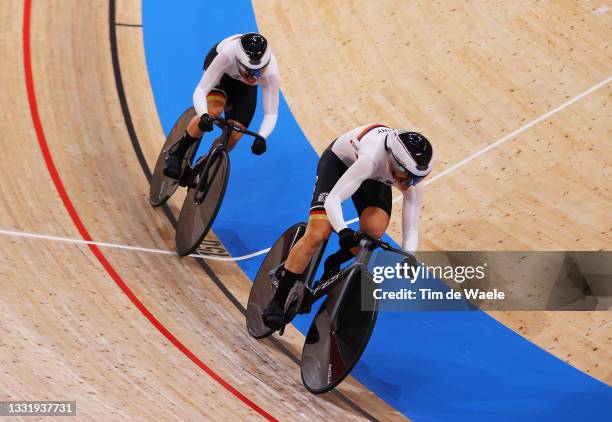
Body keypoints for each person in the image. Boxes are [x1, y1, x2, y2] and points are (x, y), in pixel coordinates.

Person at [262, 124, 434, 330]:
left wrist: (409, 256)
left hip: (374, 176)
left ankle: (333, 262)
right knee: (318, 232)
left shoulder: (409, 178)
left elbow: (412, 226)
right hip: (339, 164)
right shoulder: (372, 158)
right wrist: (343, 231)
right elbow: (333, 200)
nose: (411, 184)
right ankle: (278, 300)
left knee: (374, 230)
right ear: (395, 164)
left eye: (418, 178)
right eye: (408, 178)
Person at [164, 33, 280, 179]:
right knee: (213, 111)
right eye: (248, 72)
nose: (252, 78)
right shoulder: (226, 56)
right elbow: (200, 90)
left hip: (243, 87)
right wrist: (204, 115)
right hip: (222, 73)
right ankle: (177, 153)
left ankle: (205, 165)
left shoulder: (271, 73)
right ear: (239, 61)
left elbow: (271, 113)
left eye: (258, 72)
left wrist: (262, 137)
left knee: (236, 134)